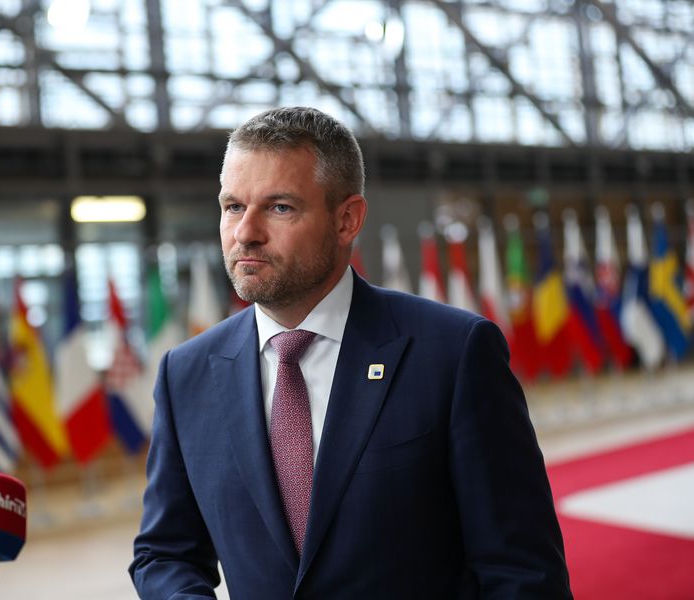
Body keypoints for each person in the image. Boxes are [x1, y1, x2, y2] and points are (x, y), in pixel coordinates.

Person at [130, 107, 572, 598]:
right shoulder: (185, 374)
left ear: (347, 220)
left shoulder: (454, 353)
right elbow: (164, 553)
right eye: (233, 206)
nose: (244, 232)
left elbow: (523, 573)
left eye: (279, 208)